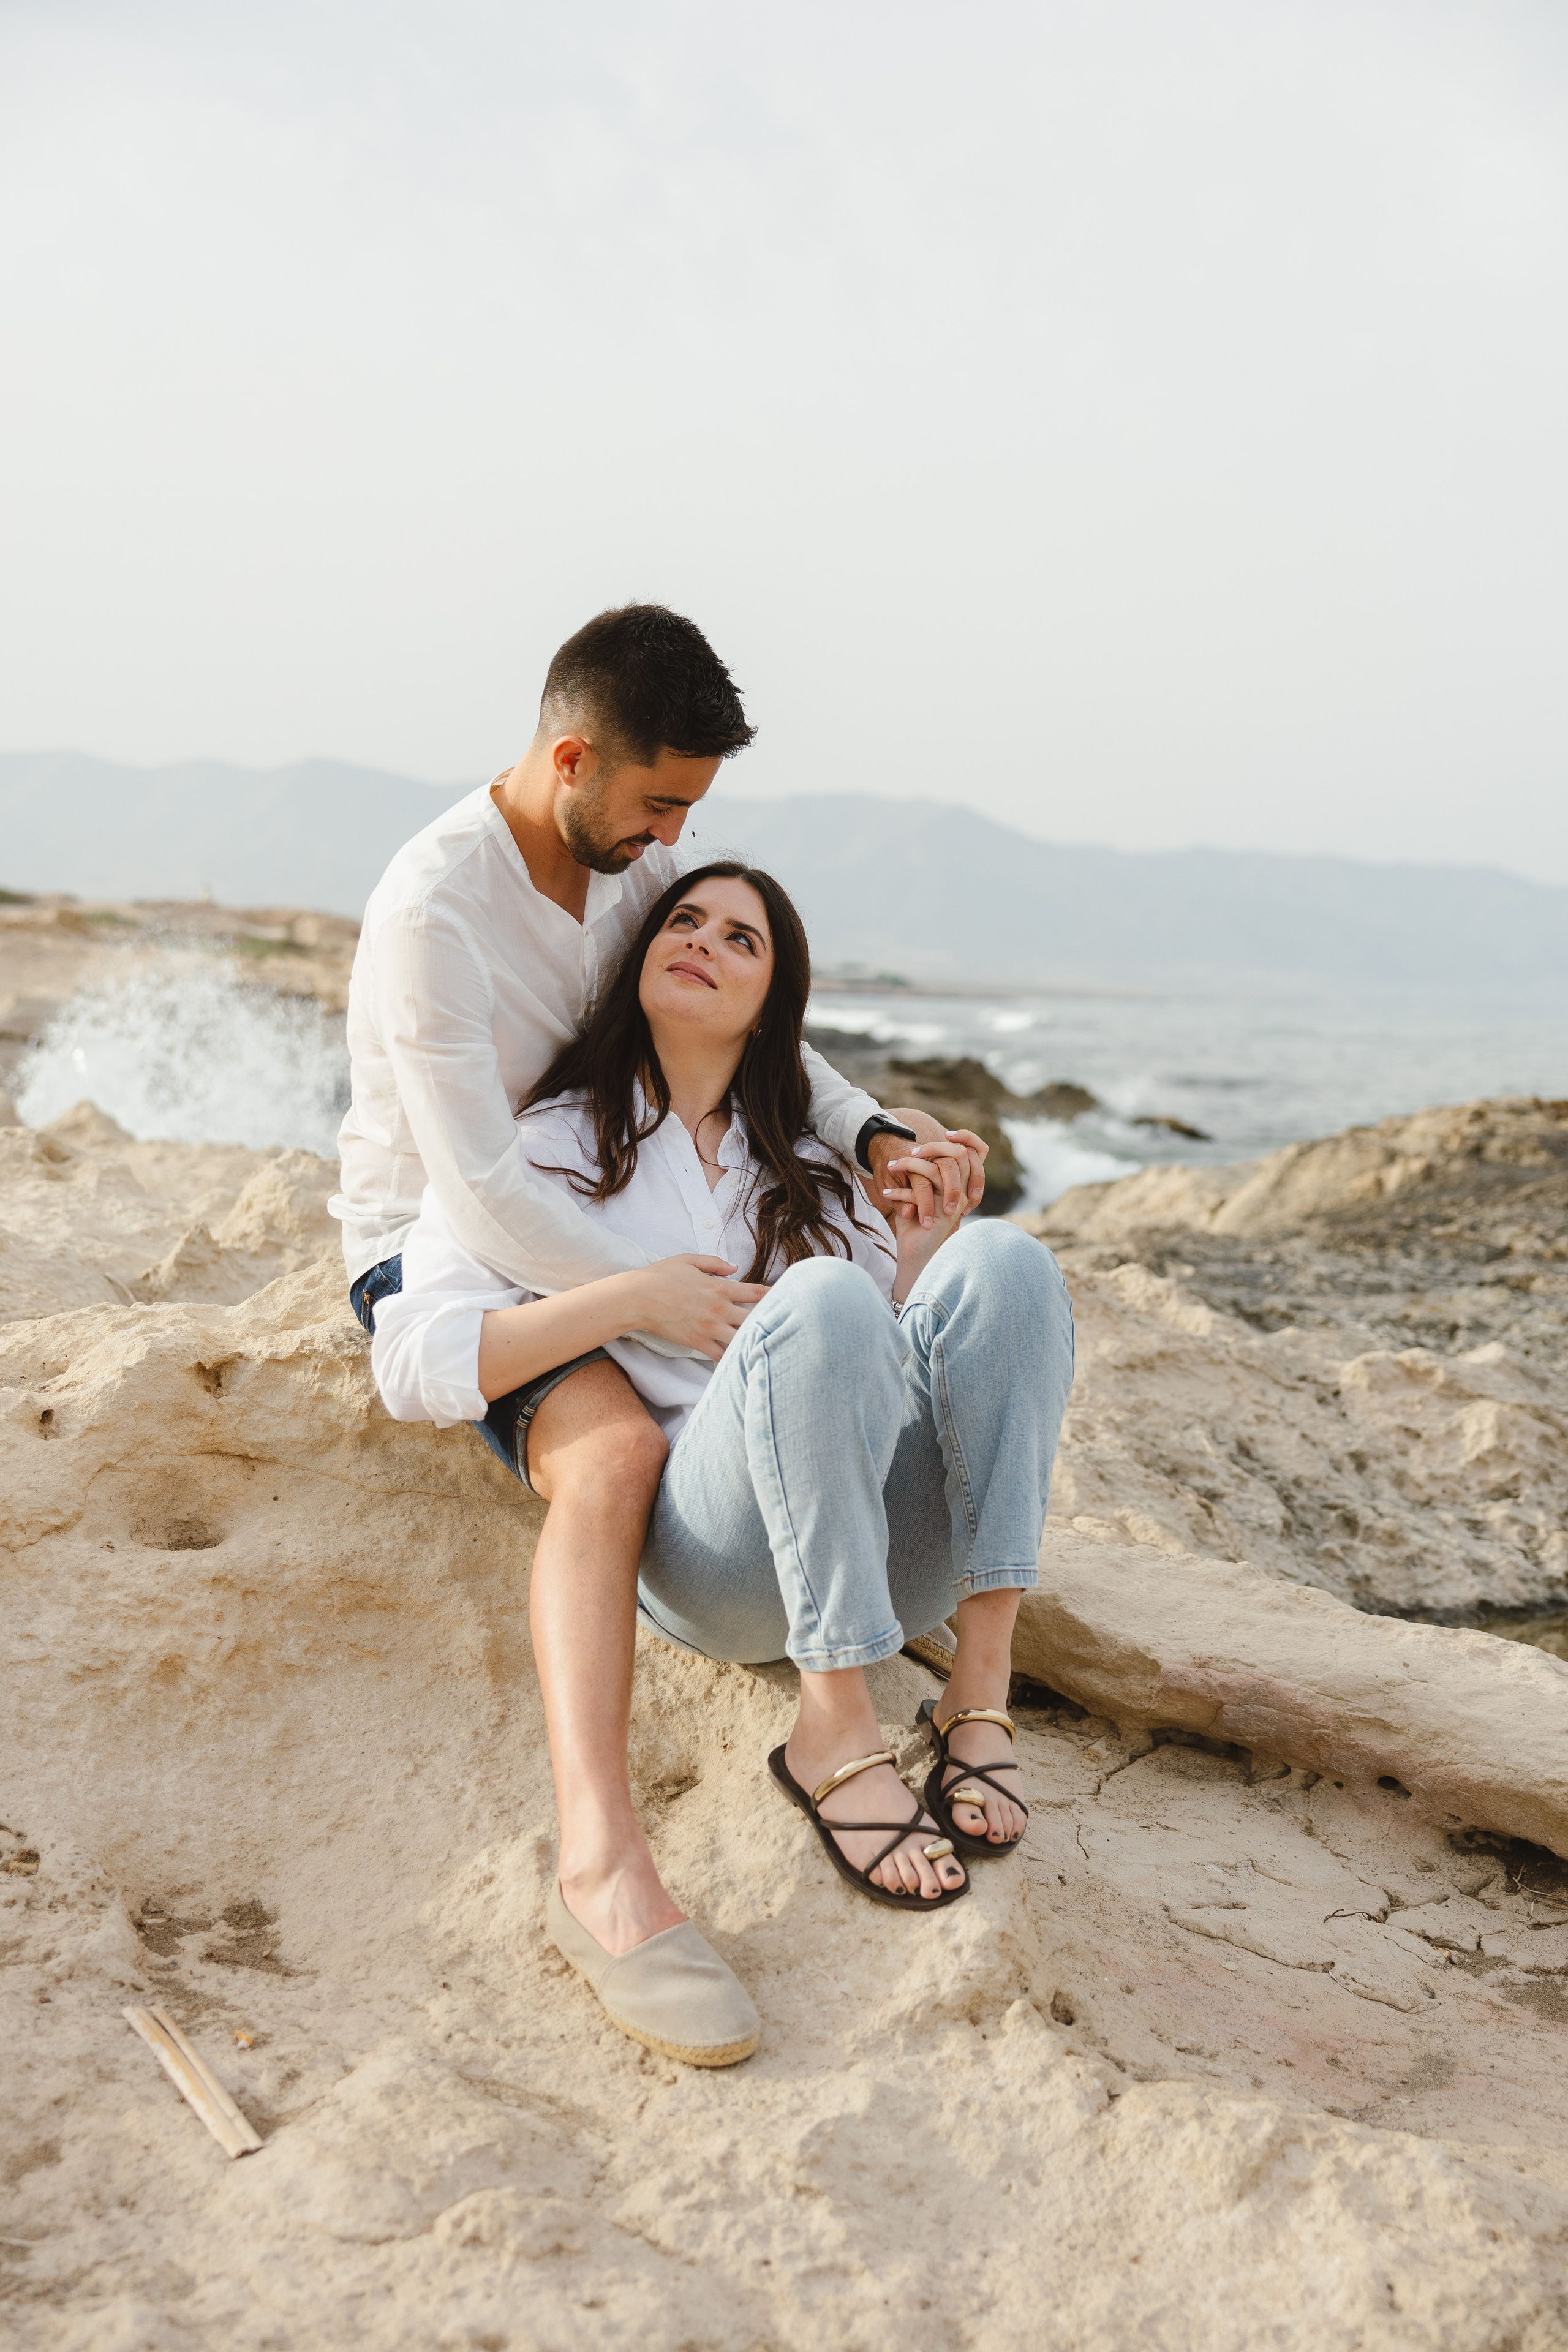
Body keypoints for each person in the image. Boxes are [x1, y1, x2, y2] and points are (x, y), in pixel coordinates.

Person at [332, 605, 987, 1985]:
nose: (669, 839)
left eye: (689, 810)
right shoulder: (432, 911)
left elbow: (766, 1034)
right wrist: (648, 1295)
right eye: (657, 804)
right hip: (450, 1222)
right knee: (618, 1447)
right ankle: (601, 1859)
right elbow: (485, 1193)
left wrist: (868, 1138)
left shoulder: (635, 864)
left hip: (609, 1184)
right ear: (572, 758)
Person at [372, 860, 1076, 2066]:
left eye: (740, 939)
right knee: (817, 1301)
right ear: (640, 959)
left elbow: (870, 1379)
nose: (703, 940)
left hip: (873, 1557)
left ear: (771, 1006)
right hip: (716, 1560)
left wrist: (908, 1263)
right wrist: (622, 1300)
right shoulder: (536, 1153)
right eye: (683, 920)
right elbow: (416, 1361)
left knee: (1002, 1262)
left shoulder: (804, 1168)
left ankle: (978, 1692)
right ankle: (834, 1729)